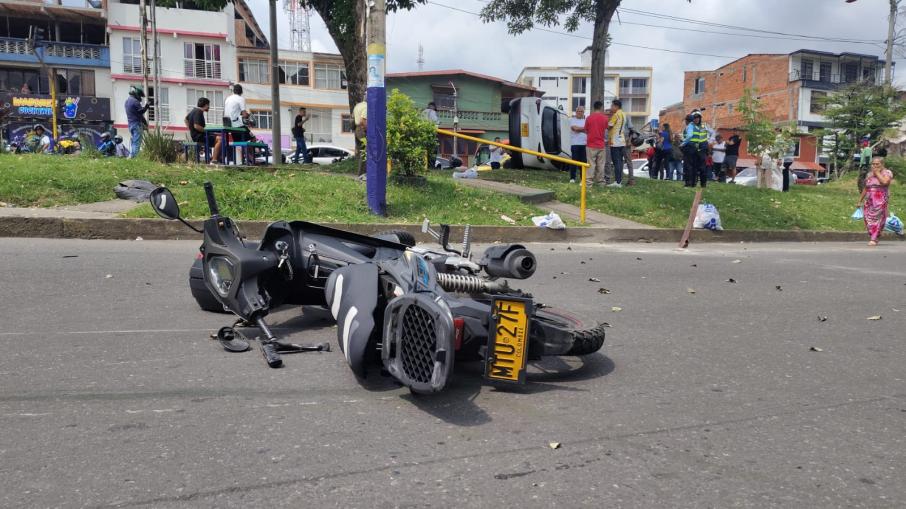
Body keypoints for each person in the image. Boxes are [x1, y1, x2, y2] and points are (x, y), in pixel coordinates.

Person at [859, 156, 895, 246]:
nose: (875, 165)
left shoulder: (887, 173)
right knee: (867, 218)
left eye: (877, 164)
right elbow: (866, 188)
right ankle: (875, 235)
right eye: (873, 164)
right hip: (869, 199)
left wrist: (877, 173)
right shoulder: (869, 174)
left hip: (880, 199)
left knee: (878, 218)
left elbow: (885, 182)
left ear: (882, 164)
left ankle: (874, 238)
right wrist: (859, 200)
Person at [212, 85, 247, 164]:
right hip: (236, 125)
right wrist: (246, 115)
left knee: (234, 141)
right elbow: (244, 114)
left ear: (233, 91)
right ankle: (249, 160)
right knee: (250, 138)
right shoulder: (241, 99)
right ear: (241, 92)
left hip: (227, 123)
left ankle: (234, 160)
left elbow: (231, 111)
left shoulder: (228, 98)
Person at [584, 100, 608, 188]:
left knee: (590, 164)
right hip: (601, 144)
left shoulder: (589, 118)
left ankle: (589, 183)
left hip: (591, 144)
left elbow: (586, 130)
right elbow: (606, 129)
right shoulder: (605, 118)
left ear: (594, 108)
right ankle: (601, 183)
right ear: (601, 107)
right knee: (601, 165)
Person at [681, 112, 709, 188]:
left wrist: (683, 143)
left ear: (700, 118)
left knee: (701, 167)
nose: (696, 119)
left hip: (701, 147)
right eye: (695, 118)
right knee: (694, 167)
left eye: (698, 117)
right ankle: (694, 183)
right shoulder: (693, 126)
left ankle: (702, 184)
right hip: (696, 148)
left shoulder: (702, 125)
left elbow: (707, 134)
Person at [125, 85, 151, 158]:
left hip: (130, 124)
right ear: (137, 94)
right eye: (140, 96)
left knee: (134, 141)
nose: (140, 98)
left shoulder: (127, 101)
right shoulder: (135, 101)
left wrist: (145, 123)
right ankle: (134, 157)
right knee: (137, 141)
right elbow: (140, 112)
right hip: (136, 125)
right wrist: (146, 106)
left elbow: (137, 114)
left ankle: (131, 156)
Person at [607, 99, 627, 187]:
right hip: (622, 141)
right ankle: (619, 181)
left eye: (612, 106)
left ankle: (617, 182)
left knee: (616, 162)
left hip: (615, 141)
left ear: (616, 106)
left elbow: (609, 126)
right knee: (619, 162)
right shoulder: (623, 114)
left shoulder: (616, 115)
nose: (611, 108)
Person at [569, 106, 587, 183]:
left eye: (581, 111)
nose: (580, 113)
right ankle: (572, 178)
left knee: (583, 163)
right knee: (574, 162)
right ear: (576, 112)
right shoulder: (572, 120)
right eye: (578, 111)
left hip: (584, 144)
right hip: (575, 144)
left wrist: (580, 129)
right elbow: (574, 129)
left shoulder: (586, 120)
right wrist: (584, 129)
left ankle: (583, 179)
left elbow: (587, 130)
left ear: (584, 112)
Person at [353, 101, 367, 176]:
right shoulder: (367, 107)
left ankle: (360, 174)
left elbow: (352, 118)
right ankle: (363, 175)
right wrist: (367, 130)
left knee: (361, 153)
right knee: (366, 152)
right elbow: (363, 120)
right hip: (363, 129)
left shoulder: (358, 105)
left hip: (357, 130)